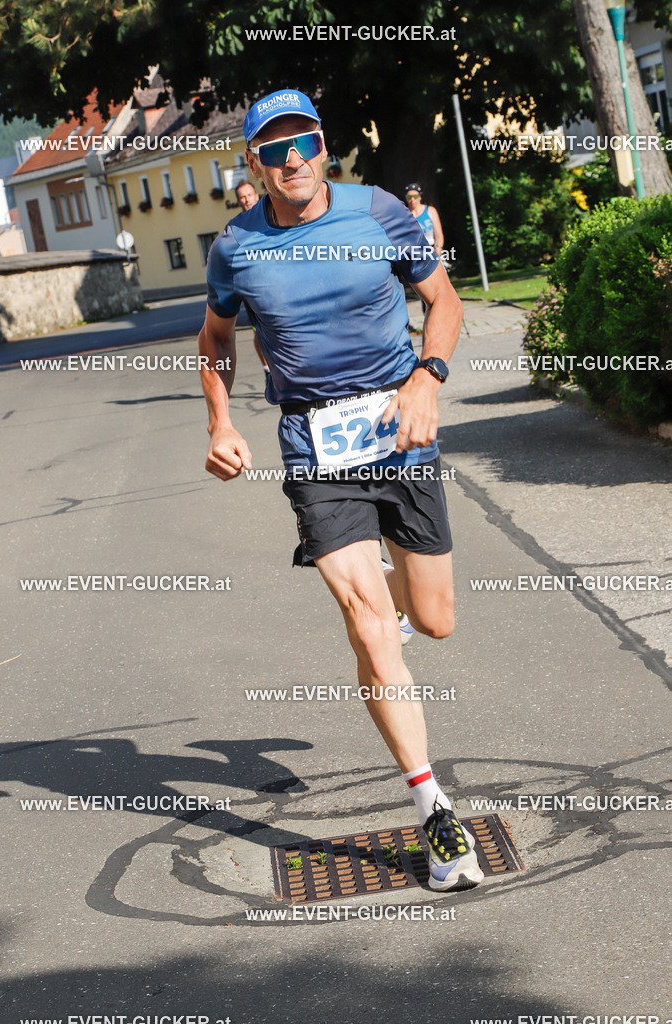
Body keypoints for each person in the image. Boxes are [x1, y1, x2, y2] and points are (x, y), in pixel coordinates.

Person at [198, 88, 483, 891]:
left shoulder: (378, 211)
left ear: (325, 147)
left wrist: (427, 378)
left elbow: (444, 301)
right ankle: (435, 810)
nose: (292, 160)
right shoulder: (238, 248)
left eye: (305, 143)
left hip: (401, 429)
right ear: (253, 158)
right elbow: (216, 336)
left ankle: (395, 608)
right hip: (315, 447)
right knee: (368, 624)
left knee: (435, 620)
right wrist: (220, 422)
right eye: (274, 148)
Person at [234, 179, 271, 391]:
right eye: (242, 197)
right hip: (253, 286)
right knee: (258, 331)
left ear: (256, 194)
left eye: (249, 194)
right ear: (239, 201)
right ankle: (268, 370)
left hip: (275, 280)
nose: (246, 199)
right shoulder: (237, 226)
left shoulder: (272, 213)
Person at [404, 182, 444, 257]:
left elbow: (439, 235)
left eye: (415, 196)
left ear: (420, 197)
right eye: (409, 197)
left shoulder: (430, 211)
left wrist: (439, 248)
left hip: (431, 250)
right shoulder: (405, 215)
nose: (412, 200)